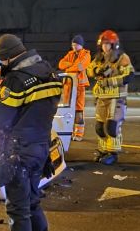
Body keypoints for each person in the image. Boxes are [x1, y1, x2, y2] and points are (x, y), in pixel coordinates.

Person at [0, 34, 63, 231]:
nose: (0, 64)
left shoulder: (15, 80)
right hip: (41, 147)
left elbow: (2, 119)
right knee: (32, 202)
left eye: (1, 60)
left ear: (10, 57)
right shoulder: (48, 72)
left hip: (18, 151)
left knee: (18, 208)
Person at [86, 30, 133, 165]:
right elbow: (89, 69)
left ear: (114, 45)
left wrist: (110, 81)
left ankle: (113, 153)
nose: (105, 47)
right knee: (99, 127)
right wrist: (96, 71)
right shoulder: (99, 58)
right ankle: (103, 150)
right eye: (103, 44)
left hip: (116, 97)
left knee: (112, 126)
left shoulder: (122, 58)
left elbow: (129, 76)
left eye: (107, 44)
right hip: (101, 97)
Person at [57, 35, 91, 141]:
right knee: (67, 110)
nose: (74, 47)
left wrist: (69, 67)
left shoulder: (86, 54)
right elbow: (61, 64)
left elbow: (81, 66)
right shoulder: (70, 54)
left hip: (79, 86)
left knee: (79, 110)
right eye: (73, 45)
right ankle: (67, 132)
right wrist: (73, 65)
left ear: (81, 45)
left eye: (76, 45)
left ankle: (79, 134)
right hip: (69, 86)